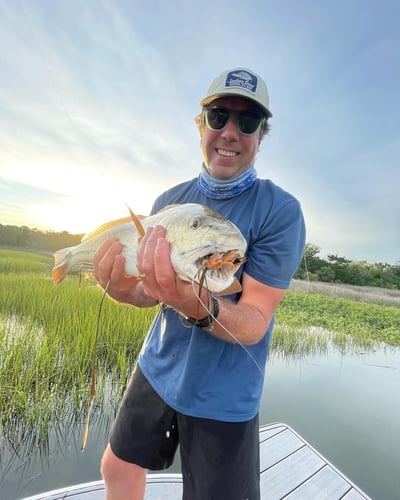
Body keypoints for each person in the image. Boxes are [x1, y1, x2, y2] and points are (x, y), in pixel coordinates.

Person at [93, 67, 306, 500]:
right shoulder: (167, 202)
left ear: (260, 137)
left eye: (246, 123)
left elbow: (253, 322)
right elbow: (147, 293)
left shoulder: (280, 212)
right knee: (117, 467)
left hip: (225, 395)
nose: (230, 131)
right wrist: (119, 290)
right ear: (201, 126)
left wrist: (195, 302)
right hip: (157, 368)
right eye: (218, 116)